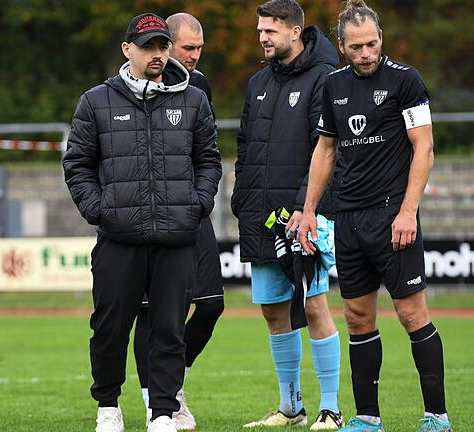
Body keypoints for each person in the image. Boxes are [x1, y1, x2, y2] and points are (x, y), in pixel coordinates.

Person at [62, 11, 222, 432]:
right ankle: (108, 407)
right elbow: (77, 164)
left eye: (162, 46)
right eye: (148, 46)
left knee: (169, 330)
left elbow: (208, 161)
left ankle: (163, 412)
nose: (156, 54)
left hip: (176, 236)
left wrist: (198, 203)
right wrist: (99, 210)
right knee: (109, 329)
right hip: (118, 238)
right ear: (126, 49)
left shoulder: (193, 100)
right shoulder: (96, 100)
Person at [297, 1, 451, 431]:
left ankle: (437, 417)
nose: (367, 53)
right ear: (341, 46)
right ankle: (367, 419)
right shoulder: (333, 85)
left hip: (392, 218)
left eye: (373, 44)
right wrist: (309, 211)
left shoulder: (405, 80)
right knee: (358, 317)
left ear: (381, 38)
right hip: (347, 219)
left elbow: (424, 147)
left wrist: (407, 212)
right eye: (358, 47)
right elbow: (325, 150)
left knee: (411, 315)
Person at [231, 0, 344, 430]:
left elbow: (325, 149)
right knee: (273, 310)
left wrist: (304, 207)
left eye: (270, 31)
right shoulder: (258, 81)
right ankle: (291, 406)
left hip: (305, 217)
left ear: (295, 32)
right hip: (262, 217)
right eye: (260, 30)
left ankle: (331, 408)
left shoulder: (324, 79)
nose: (262, 37)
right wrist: (241, 196)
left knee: (313, 305)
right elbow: (244, 145)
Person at [131, 12, 224, 431]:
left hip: (190, 211)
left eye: (200, 49)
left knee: (211, 304)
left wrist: (202, 198)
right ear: (165, 45)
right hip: (146, 215)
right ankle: (160, 401)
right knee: (150, 311)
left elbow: (206, 150)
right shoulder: (132, 84)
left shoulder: (197, 85)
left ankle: (170, 380)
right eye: (188, 48)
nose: (195, 56)